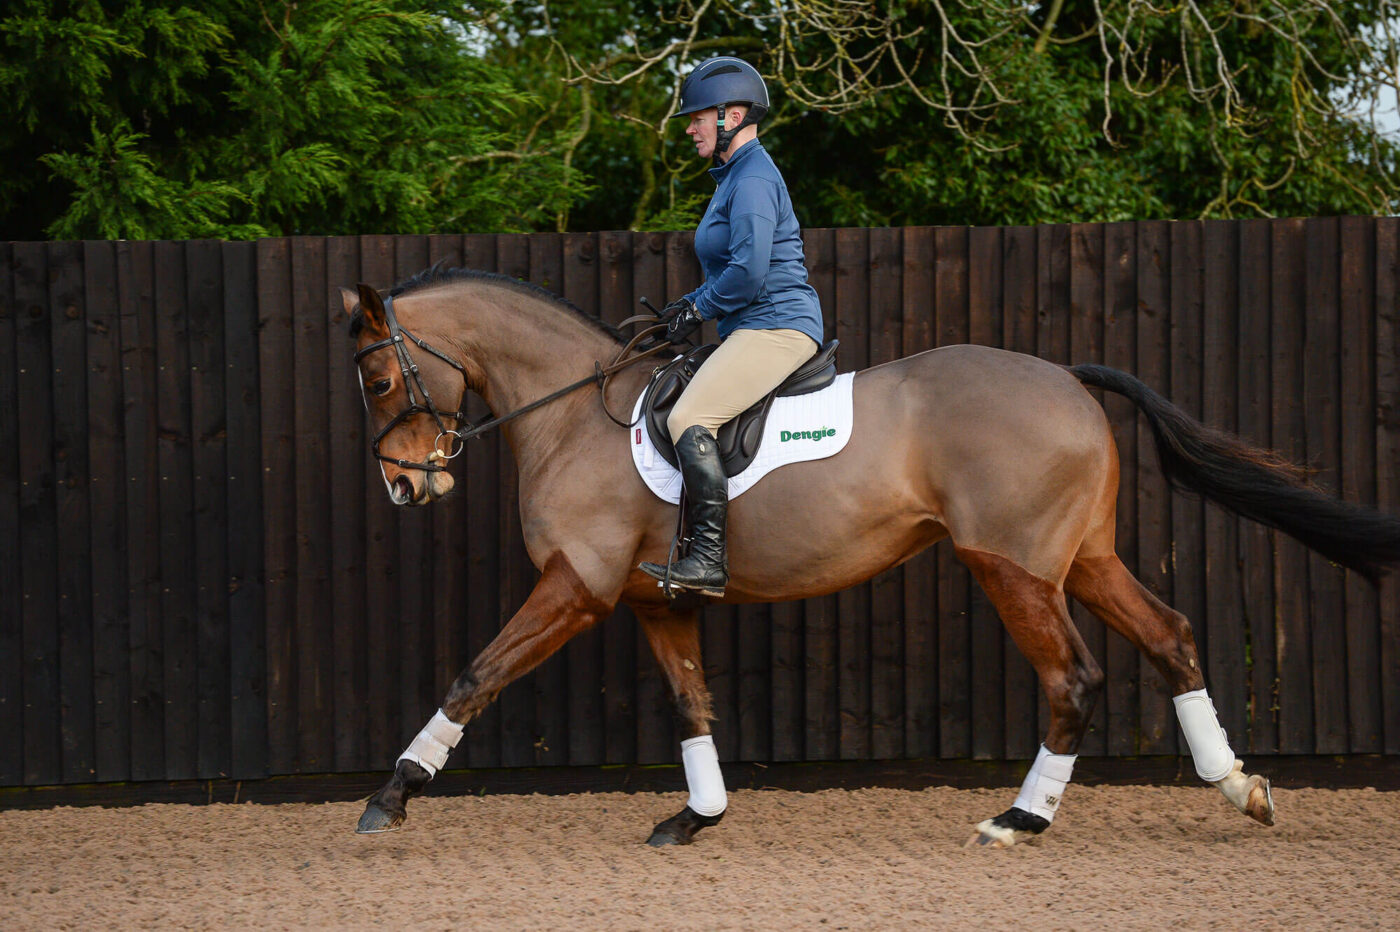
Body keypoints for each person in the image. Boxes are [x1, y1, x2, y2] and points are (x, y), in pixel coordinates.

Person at [638, 56, 825, 597]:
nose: (690, 128)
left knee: (689, 416)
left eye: (697, 117)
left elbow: (748, 272)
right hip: (751, 326)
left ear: (733, 115)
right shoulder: (734, 178)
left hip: (776, 327)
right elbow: (734, 272)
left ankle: (708, 558)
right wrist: (688, 306)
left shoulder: (754, 178)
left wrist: (699, 309)